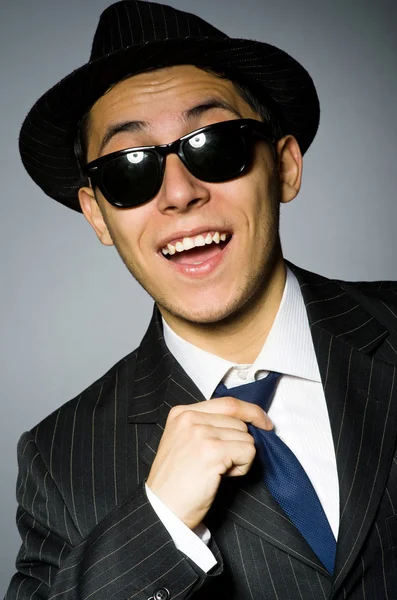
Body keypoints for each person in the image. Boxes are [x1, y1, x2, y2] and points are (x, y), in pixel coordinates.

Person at [5, 1, 397, 599]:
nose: (180, 193)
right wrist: (158, 525)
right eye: (129, 168)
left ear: (286, 167)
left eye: (214, 144)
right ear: (97, 214)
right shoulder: (59, 458)